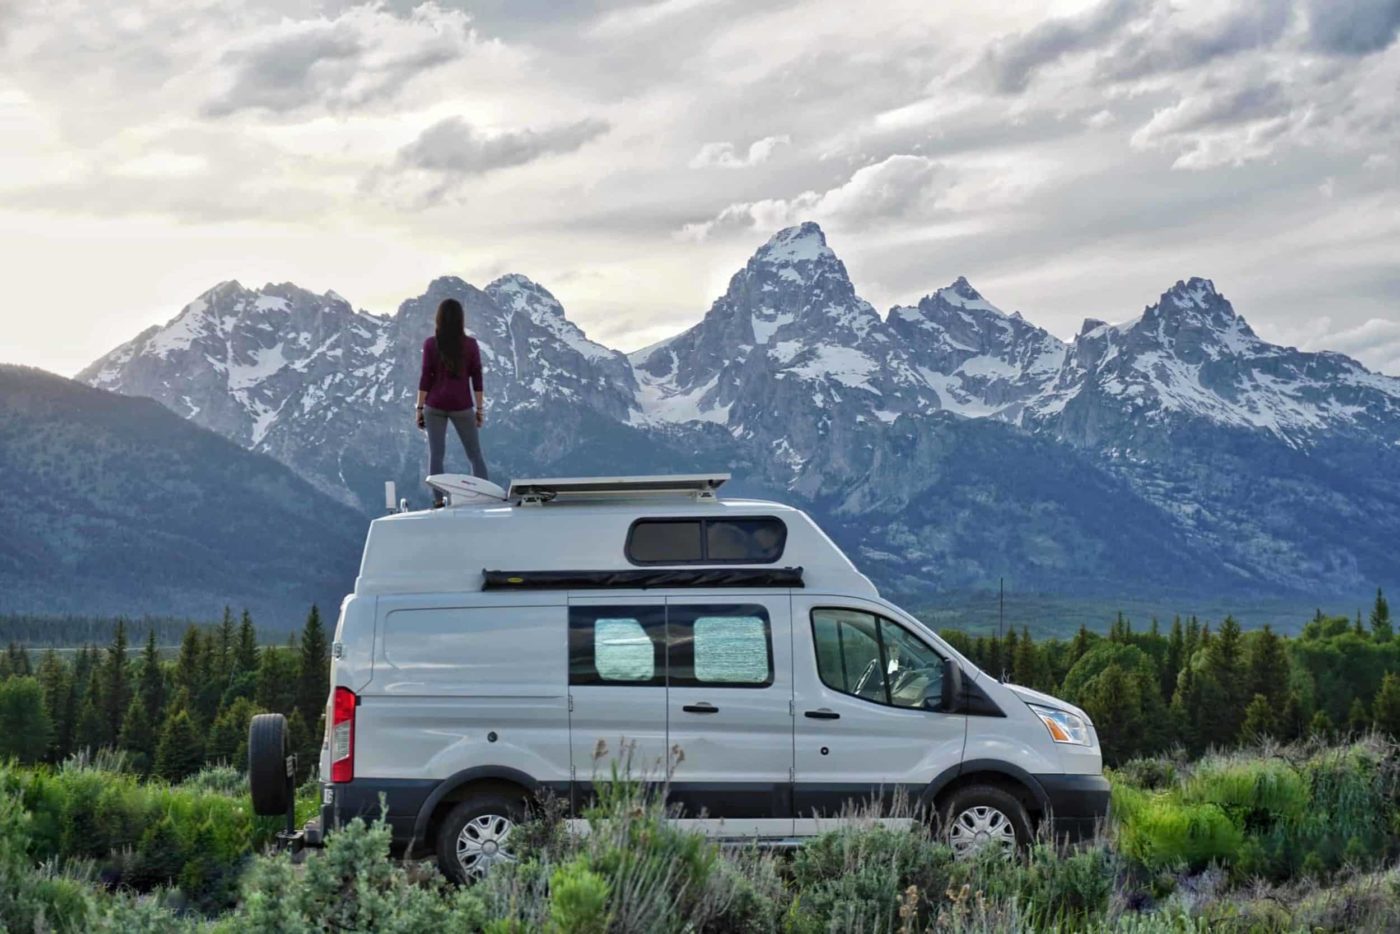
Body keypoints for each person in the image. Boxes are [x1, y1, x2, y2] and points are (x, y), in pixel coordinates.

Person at [416, 298, 488, 506]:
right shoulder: (470, 345)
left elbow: (425, 377)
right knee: (474, 454)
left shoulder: (430, 344)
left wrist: (419, 408)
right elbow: (477, 378)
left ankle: (438, 500)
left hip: (435, 405)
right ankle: (484, 497)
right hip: (462, 405)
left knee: (436, 455)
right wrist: (480, 409)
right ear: (460, 319)